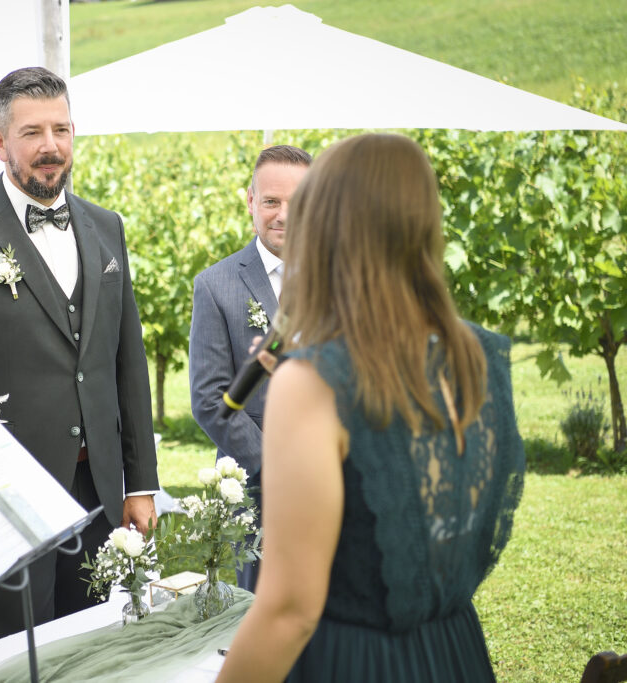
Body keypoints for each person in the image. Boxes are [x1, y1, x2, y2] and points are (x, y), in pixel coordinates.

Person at [215, 133, 525, 682]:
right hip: (453, 651)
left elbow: (289, 611)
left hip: (352, 662)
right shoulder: (478, 355)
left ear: (327, 225)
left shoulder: (313, 381)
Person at [0, 66, 160, 644]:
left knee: (93, 650)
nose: (51, 146)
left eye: (61, 129)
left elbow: (127, 362)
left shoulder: (106, 227)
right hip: (3, 500)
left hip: (98, 490)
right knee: (19, 658)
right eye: (32, 133)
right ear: (0, 143)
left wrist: (141, 482)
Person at [189, 144, 311, 592]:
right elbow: (210, 400)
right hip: (260, 489)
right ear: (250, 201)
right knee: (267, 606)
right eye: (271, 201)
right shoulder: (216, 285)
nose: (283, 215)